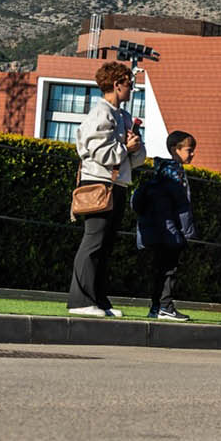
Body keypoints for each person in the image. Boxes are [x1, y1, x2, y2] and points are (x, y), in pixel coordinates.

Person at [68, 60, 147, 317]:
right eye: (129, 84)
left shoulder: (122, 116)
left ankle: (99, 300)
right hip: (98, 183)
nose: (131, 88)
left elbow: (135, 158)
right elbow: (99, 152)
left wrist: (134, 147)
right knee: (94, 241)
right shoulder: (101, 113)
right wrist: (127, 148)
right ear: (116, 84)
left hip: (117, 183)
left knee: (105, 245)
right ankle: (81, 301)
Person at [131, 130, 197, 321]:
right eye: (189, 150)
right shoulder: (176, 176)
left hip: (156, 229)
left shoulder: (159, 174)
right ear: (175, 149)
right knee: (169, 269)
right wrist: (188, 232)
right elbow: (182, 206)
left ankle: (156, 307)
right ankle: (166, 306)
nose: (192, 154)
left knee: (160, 269)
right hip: (171, 231)